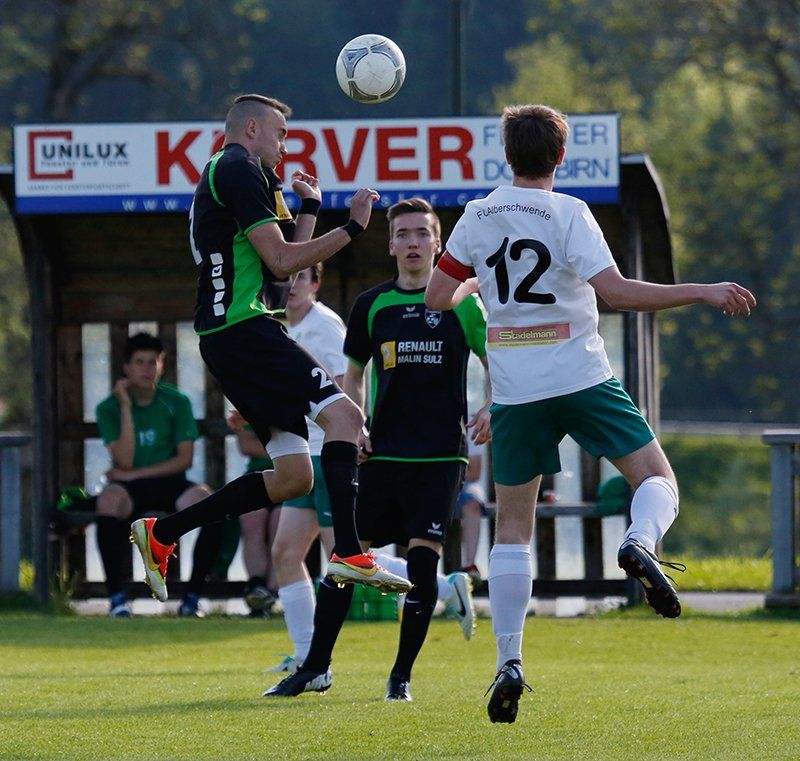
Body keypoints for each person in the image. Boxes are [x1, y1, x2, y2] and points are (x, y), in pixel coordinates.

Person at [425, 103, 757, 723]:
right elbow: (619, 293)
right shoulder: (570, 212)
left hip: (516, 392)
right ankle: (638, 540)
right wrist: (701, 290)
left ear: (507, 155)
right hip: (581, 377)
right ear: (559, 157)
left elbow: (438, 296)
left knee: (512, 530)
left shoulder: (476, 215)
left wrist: (478, 282)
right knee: (657, 479)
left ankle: (509, 661)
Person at [129, 94, 411, 636]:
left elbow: (283, 272)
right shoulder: (238, 167)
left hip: (231, 335)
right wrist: (353, 227)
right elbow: (282, 262)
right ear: (252, 128)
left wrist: (310, 209)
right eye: (281, 134)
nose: (285, 145)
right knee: (347, 417)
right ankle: (350, 553)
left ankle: (163, 533)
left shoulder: (243, 173)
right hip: (244, 330)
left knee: (292, 477)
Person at [265, 198, 490, 700]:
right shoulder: (372, 305)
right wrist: (357, 424)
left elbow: (494, 357)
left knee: (422, 565)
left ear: (438, 244)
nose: (413, 243)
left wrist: (493, 406)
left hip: (439, 457)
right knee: (346, 559)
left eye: (422, 233)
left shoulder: (462, 303)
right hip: (382, 455)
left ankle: (400, 678)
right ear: (390, 245)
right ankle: (315, 667)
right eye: (403, 234)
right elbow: (354, 375)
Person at [94, 332, 216, 618]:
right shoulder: (109, 408)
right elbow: (124, 460)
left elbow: (184, 459)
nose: (146, 369)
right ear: (126, 367)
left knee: (210, 504)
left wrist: (135, 474)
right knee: (107, 502)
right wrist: (126, 407)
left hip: (169, 482)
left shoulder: (177, 401)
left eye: (153, 362)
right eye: (139, 362)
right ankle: (117, 600)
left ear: (161, 365)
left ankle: (192, 598)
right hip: (129, 489)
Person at [227, 409, 282, 616]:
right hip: (258, 478)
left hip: (293, 479)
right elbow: (246, 445)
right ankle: (257, 587)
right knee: (252, 522)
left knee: (280, 524)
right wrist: (288, 450)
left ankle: (271, 593)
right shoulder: (251, 399)